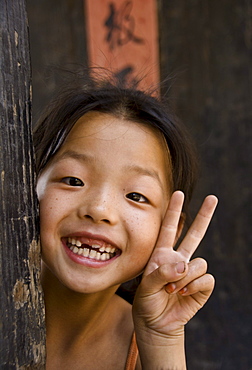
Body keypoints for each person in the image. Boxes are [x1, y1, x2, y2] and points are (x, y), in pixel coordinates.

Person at [33, 74, 218, 370]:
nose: (99, 209)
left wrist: (162, 339)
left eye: (136, 195)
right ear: (29, 191)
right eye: (73, 180)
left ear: (168, 230)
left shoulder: (145, 349)